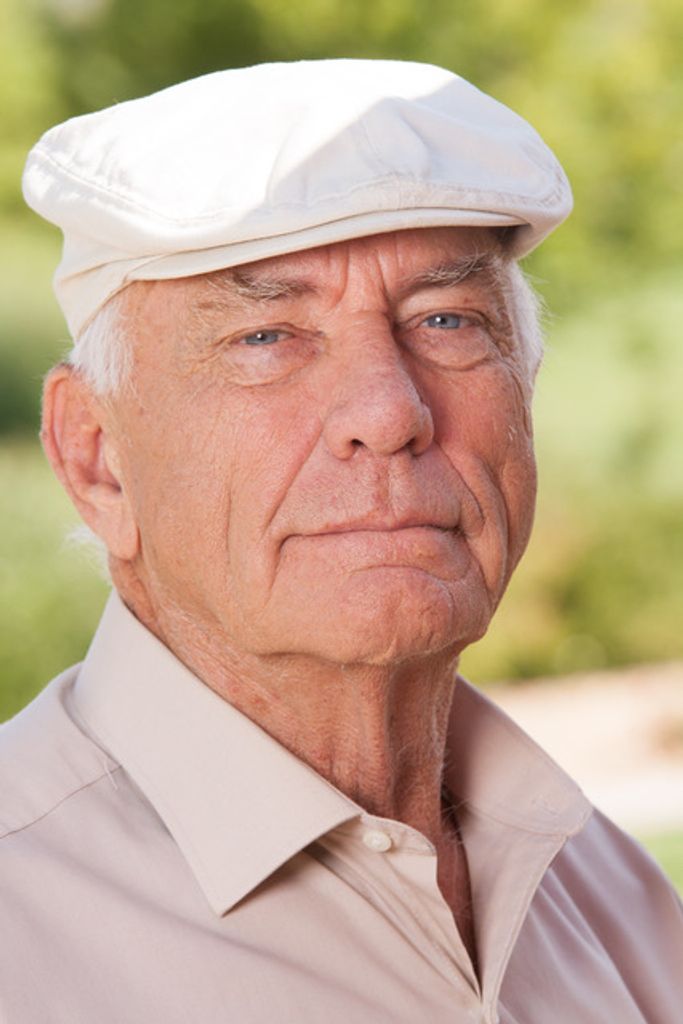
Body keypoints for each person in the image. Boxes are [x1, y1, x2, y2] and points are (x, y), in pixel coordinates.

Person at [2, 59, 681, 1023]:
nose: (389, 413)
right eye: (265, 338)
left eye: (446, 321)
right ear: (96, 457)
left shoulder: (608, 889)